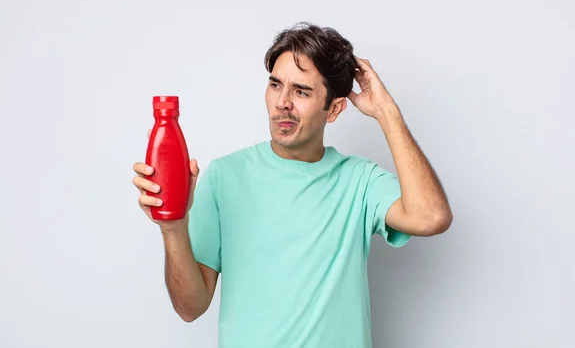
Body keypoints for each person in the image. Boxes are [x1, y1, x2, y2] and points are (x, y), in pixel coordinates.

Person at [132, 22, 452, 348]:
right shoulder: (223, 177)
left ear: (335, 108)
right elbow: (190, 307)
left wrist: (386, 111)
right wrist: (173, 227)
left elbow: (431, 217)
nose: (282, 102)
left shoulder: (361, 181)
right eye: (275, 85)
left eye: (301, 91)